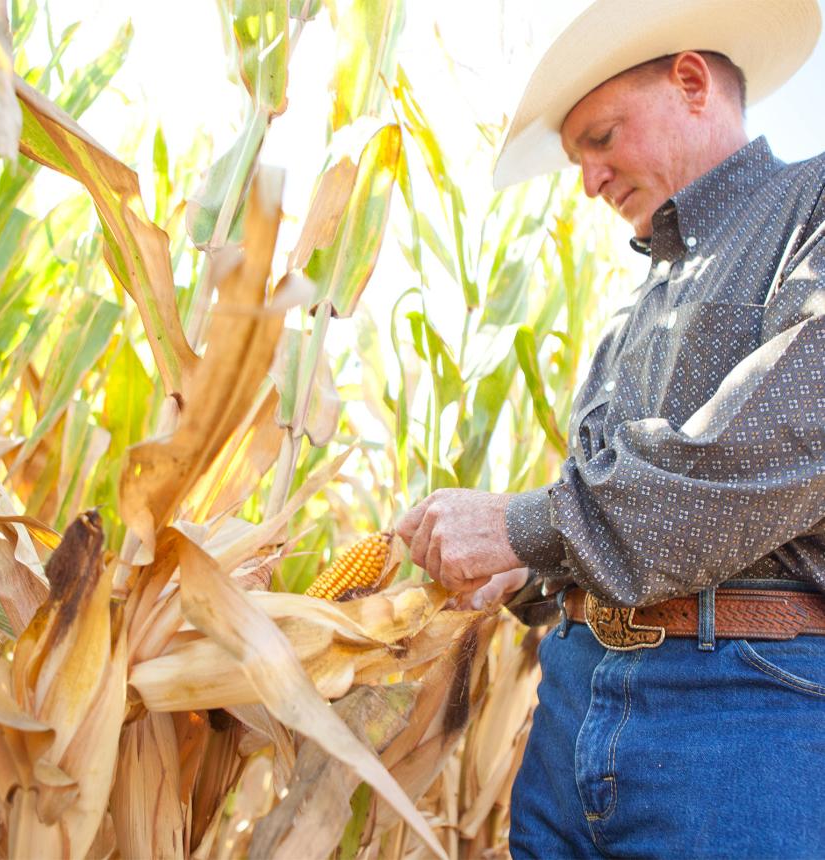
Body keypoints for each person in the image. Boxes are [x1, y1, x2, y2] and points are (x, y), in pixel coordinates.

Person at [395, 0, 825, 856]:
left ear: (692, 82)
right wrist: (515, 569)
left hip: (744, 717)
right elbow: (596, 529)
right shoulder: (628, 319)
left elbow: (781, 445)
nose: (588, 178)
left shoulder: (810, 211)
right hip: (571, 708)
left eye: (600, 137)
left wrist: (519, 524)